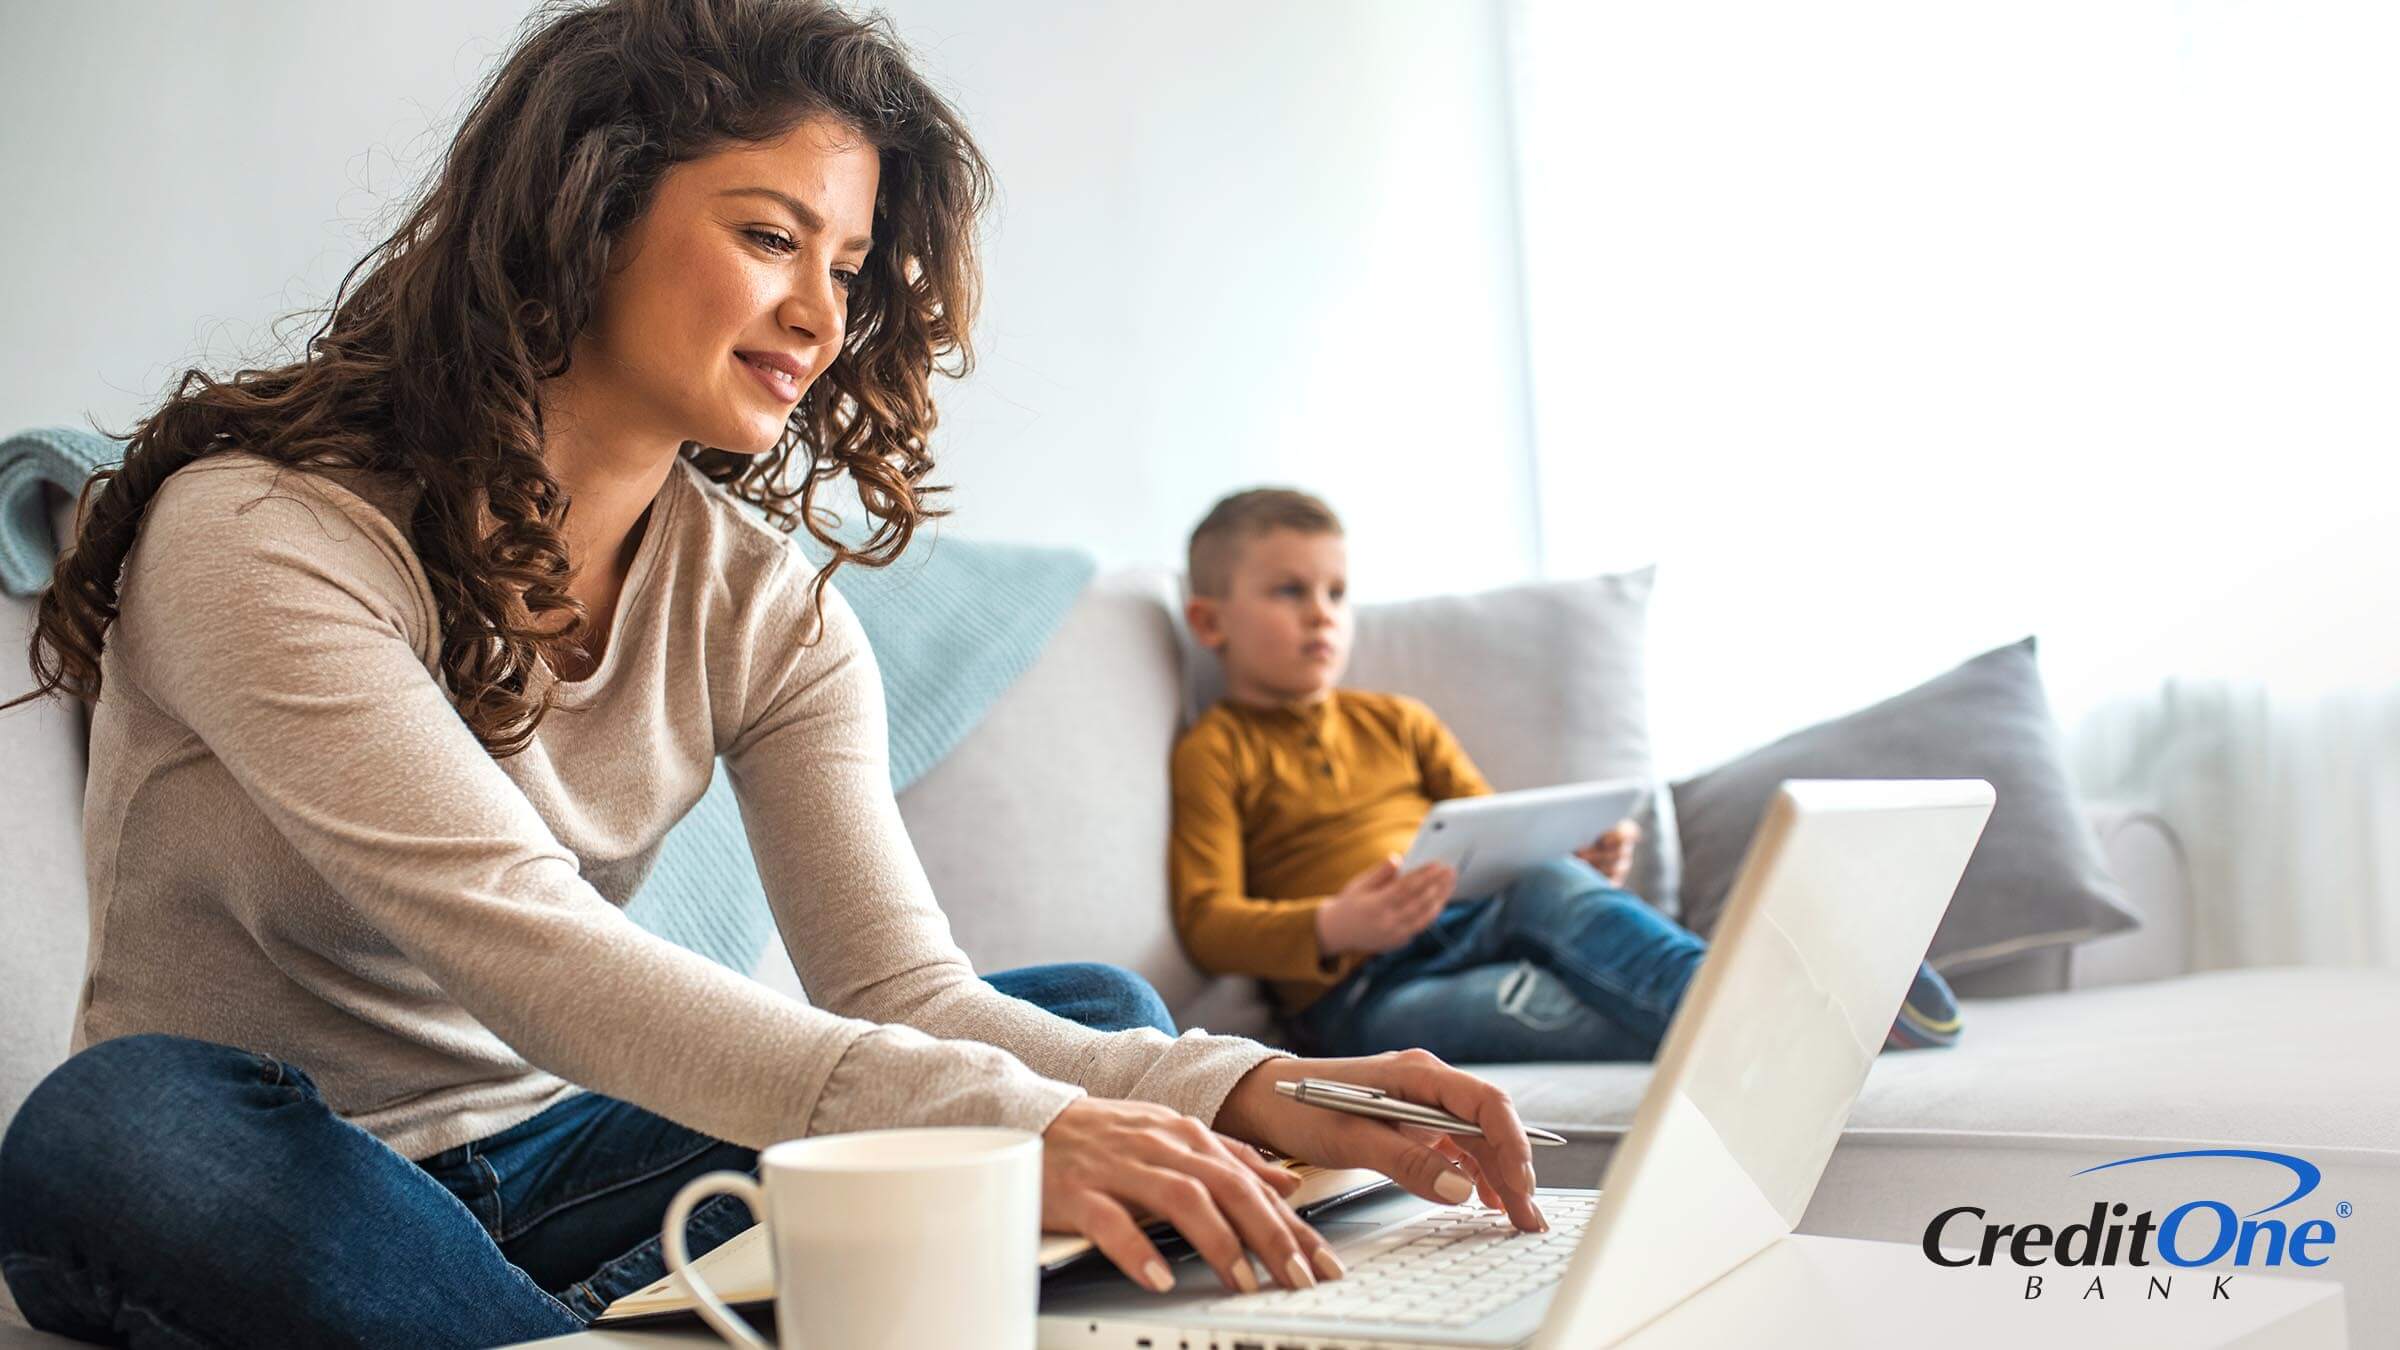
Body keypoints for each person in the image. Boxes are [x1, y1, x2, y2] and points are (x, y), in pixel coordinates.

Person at [0, 5, 1550, 1345]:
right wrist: (1018, 1125)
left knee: (1086, 1011)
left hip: (553, 1163)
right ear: (585, 209)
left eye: (853, 263)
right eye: (767, 235)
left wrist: (1246, 1084)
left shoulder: (766, 608)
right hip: (264, 1154)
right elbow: (530, 947)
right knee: (122, 1129)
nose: (823, 314)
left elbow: (903, 992)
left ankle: (582, 1314)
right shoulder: (263, 532)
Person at [1169, 487, 1965, 1064]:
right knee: (1553, 1006)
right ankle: (1812, 1008)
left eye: (1336, 593)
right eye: (1289, 592)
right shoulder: (1217, 750)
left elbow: (1496, 837)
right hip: (1362, 998)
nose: (1322, 614)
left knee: (1551, 881)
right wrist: (1333, 928)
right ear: (1209, 621)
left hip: (1481, 922)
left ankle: (1788, 1010)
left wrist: (1569, 858)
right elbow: (1206, 920)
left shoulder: (1397, 720)